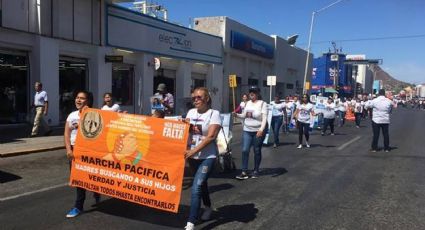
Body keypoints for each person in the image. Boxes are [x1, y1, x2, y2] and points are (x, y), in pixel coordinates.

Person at [184, 87, 221, 230]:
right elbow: (183, 130)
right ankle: (208, 208)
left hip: (208, 156)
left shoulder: (214, 114)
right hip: (193, 157)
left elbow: (211, 136)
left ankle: (191, 223)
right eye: (194, 98)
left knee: (197, 186)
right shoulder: (191, 112)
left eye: (199, 97)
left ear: (207, 99)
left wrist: (193, 150)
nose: (196, 100)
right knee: (202, 183)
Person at [64, 90, 100, 218]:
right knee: (78, 179)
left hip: (89, 151)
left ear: (88, 101)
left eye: (82, 98)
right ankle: (78, 207)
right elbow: (67, 134)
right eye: (77, 97)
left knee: (92, 176)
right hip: (75, 150)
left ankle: (96, 191)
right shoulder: (72, 115)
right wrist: (69, 150)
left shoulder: (95, 114)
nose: (78, 100)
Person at [234, 86, 268, 180]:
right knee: (245, 150)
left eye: (254, 92)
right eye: (250, 92)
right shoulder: (247, 103)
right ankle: (244, 171)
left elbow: (265, 118)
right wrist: (236, 115)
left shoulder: (262, 104)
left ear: (258, 93)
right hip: (247, 130)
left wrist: (261, 129)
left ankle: (256, 170)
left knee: (256, 150)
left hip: (258, 130)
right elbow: (244, 115)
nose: (251, 93)